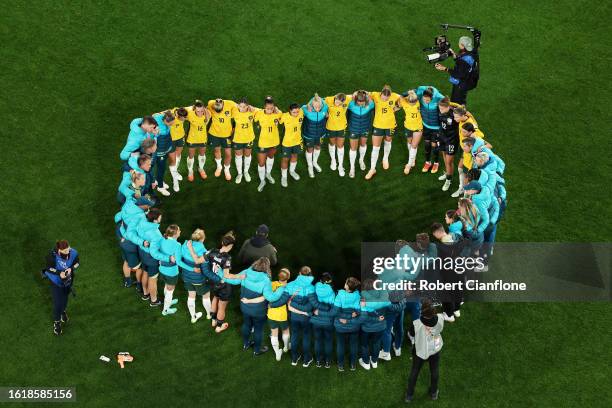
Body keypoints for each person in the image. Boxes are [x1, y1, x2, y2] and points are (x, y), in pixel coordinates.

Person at [222, 257, 284, 356]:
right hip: (259, 311)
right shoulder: (266, 280)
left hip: (245, 307)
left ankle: (245, 344)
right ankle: (257, 350)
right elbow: (271, 297)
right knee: (258, 329)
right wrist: (281, 288)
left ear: (255, 263)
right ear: (266, 268)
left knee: (246, 324)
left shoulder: (247, 272)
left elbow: (234, 281)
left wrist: (220, 273)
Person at [269, 266, 315, 367]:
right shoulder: (311, 288)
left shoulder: (290, 285)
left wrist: (272, 305)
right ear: (309, 274)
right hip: (305, 318)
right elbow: (309, 307)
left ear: (299, 273)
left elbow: (282, 300)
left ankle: (294, 359)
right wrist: (302, 310)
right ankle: (306, 360)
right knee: (306, 337)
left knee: (294, 336)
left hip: (294, 317)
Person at [405, 298, 444, 403]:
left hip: (421, 351)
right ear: (433, 311)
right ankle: (434, 392)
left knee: (415, 371)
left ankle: (409, 395)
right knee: (434, 370)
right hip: (435, 349)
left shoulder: (417, 323)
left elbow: (411, 334)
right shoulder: (440, 318)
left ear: (422, 310)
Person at [117, 195, 155, 291]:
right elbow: (131, 234)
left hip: (122, 236)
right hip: (130, 244)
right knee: (139, 267)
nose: (149, 207)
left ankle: (128, 281)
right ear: (143, 205)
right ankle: (139, 285)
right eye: (148, 205)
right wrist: (142, 242)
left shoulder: (129, 204)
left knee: (126, 260)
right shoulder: (139, 216)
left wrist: (123, 235)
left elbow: (119, 217)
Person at [431, 222, 467, 321]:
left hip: (448, 273)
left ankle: (449, 314)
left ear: (436, 233)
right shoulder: (458, 237)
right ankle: (456, 310)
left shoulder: (438, 247)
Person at [44, 240, 79, 335]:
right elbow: (48, 268)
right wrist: (60, 273)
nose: (67, 253)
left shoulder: (74, 252)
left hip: (68, 281)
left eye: (68, 250)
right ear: (59, 250)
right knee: (58, 304)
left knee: (65, 299)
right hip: (56, 282)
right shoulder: (52, 257)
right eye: (65, 251)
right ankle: (57, 323)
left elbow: (77, 263)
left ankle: (63, 311)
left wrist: (70, 269)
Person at [434, 33, 480, 106]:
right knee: (462, 100)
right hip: (467, 82)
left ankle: (456, 115)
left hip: (461, 84)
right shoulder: (472, 52)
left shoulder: (466, 59)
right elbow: (463, 63)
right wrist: (454, 55)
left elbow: (459, 74)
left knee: (455, 103)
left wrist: (444, 68)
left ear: (462, 45)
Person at [366, 85, 400, 180]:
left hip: (390, 125)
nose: (385, 99)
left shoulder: (394, 96)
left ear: (390, 95)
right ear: (381, 94)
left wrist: (398, 107)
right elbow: (365, 93)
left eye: (387, 98)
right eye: (383, 97)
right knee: (375, 147)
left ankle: (385, 158)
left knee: (388, 141)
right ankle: (372, 169)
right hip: (378, 125)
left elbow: (403, 98)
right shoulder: (375, 95)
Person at [179, 228, 213, 323]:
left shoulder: (184, 245)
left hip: (186, 277)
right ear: (202, 239)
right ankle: (209, 314)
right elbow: (206, 266)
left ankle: (193, 317)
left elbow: (180, 258)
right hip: (199, 279)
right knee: (206, 296)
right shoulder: (203, 250)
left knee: (191, 296)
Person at [452, 107, 486, 197]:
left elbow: (480, 133)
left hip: (469, 153)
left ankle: (465, 193)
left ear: (462, 115)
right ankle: (461, 189)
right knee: (460, 169)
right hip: (464, 149)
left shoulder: (470, 124)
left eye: (456, 117)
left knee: (468, 175)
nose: (455, 119)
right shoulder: (463, 119)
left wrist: (474, 135)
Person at [151, 224, 183, 316]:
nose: (180, 231)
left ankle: (168, 301)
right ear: (175, 234)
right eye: (179, 230)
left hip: (162, 269)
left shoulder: (162, 240)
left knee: (167, 286)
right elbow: (178, 261)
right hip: (171, 272)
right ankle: (165, 310)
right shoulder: (177, 245)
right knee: (170, 290)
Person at [135, 208, 164, 306]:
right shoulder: (156, 234)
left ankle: (145, 294)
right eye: (160, 217)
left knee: (145, 272)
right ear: (155, 220)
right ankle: (154, 300)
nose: (161, 218)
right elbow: (154, 253)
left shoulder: (142, 222)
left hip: (142, 253)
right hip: (151, 259)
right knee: (153, 279)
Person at [209, 231, 236, 333]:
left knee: (215, 298)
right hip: (223, 285)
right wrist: (239, 276)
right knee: (222, 306)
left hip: (213, 281)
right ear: (230, 246)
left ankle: (213, 320)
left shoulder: (212, 251)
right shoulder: (227, 258)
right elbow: (226, 275)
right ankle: (219, 326)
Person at [308, 272, 336, 368]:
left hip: (316, 321)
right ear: (329, 281)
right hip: (328, 322)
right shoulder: (333, 293)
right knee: (328, 341)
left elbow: (313, 303)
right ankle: (327, 362)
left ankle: (318, 361)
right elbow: (332, 311)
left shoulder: (315, 288)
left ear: (321, 280)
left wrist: (318, 312)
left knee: (317, 340)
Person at [254, 96, 282, 192]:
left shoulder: (278, 114)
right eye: (268, 108)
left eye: (271, 108)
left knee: (270, 157)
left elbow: (283, 117)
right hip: (263, 142)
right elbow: (253, 116)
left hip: (274, 141)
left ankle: (268, 174)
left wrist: (277, 110)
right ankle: (262, 181)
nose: (270, 110)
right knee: (261, 163)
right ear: (264, 107)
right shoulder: (259, 113)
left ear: (274, 107)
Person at [333, 277, 361, 371]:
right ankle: (353, 365)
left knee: (340, 344)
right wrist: (352, 315)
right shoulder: (357, 294)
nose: (344, 283)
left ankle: (340, 365)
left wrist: (344, 318)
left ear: (348, 287)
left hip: (341, 325)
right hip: (354, 325)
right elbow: (358, 310)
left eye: (346, 283)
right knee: (353, 345)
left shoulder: (340, 294)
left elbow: (335, 311)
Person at [415, 86, 445, 173]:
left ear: (432, 98)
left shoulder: (439, 98)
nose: (425, 101)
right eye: (424, 99)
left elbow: (448, 105)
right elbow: (416, 89)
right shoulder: (421, 93)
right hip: (425, 125)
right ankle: (427, 162)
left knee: (434, 145)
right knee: (427, 145)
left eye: (427, 100)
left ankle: (436, 163)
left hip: (436, 127)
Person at [207, 98, 237, 180]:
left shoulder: (230, 104)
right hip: (214, 134)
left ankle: (226, 170)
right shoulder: (211, 103)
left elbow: (240, 106)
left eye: (219, 110)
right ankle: (219, 167)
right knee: (217, 150)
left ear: (223, 106)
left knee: (228, 154)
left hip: (227, 135)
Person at [322, 93, 352, 176]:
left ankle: (340, 166)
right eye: (336, 101)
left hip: (341, 127)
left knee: (340, 145)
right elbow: (317, 100)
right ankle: (333, 160)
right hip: (330, 127)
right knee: (332, 143)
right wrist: (324, 112)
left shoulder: (347, 100)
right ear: (335, 98)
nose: (337, 103)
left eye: (339, 103)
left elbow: (354, 94)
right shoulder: (329, 99)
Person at [346, 90, 375, 178]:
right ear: (355, 100)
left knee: (363, 145)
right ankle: (352, 168)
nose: (360, 104)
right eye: (359, 102)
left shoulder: (370, 104)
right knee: (353, 149)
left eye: (362, 102)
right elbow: (342, 98)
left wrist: (366, 93)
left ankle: (361, 160)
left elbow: (373, 96)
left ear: (365, 100)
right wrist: (353, 94)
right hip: (353, 129)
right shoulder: (350, 104)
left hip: (365, 129)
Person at [435, 98, 460, 192]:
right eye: (439, 108)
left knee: (449, 161)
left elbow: (463, 112)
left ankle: (448, 180)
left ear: (448, 107)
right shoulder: (440, 110)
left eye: (442, 109)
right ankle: (447, 173)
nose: (440, 111)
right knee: (444, 157)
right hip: (442, 137)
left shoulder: (454, 113)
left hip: (451, 140)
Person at [301, 94, 328, 178]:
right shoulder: (306, 110)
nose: (317, 108)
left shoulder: (324, 108)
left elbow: (324, 100)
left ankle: (315, 163)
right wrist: (307, 105)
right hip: (309, 134)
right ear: (312, 105)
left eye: (319, 106)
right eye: (315, 106)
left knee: (318, 147)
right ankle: (310, 166)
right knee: (310, 150)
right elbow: (301, 108)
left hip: (320, 134)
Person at [267, 268, 291, 360]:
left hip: (271, 314)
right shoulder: (288, 287)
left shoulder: (271, 284)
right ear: (288, 277)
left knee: (274, 333)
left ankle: (277, 353)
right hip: (282, 315)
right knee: (286, 331)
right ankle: (286, 347)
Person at [231, 98, 257, 184]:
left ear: (247, 106)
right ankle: (239, 173)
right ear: (238, 105)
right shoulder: (234, 111)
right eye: (240, 106)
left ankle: (246, 172)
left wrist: (252, 107)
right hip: (237, 138)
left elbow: (262, 111)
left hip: (249, 138)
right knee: (238, 156)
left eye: (244, 106)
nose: (242, 108)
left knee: (247, 155)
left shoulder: (252, 111)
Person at [398, 90, 423, 175]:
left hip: (418, 128)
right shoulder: (404, 103)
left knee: (414, 145)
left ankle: (409, 164)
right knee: (409, 143)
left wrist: (413, 91)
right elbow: (401, 95)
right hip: (408, 127)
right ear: (408, 100)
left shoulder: (418, 102)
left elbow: (420, 90)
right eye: (411, 102)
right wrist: (408, 92)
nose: (413, 103)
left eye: (414, 101)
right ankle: (412, 159)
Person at [185, 100, 211, 182]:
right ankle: (190, 171)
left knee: (202, 155)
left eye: (201, 110)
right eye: (197, 111)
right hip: (192, 139)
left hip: (203, 139)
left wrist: (204, 109)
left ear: (204, 109)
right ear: (194, 109)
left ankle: (201, 169)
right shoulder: (190, 114)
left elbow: (207, 117)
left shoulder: (207, 114)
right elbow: (181, 114)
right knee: (191, 156)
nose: (199, 113)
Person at [279, 103, 304, 187]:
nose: (296, 114)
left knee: (294, 156)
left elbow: (310, 104)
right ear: (289, 111)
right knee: (285, 159)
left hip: (297, 141)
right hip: (287, 142)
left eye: (297, 111)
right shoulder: (284, 116)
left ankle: (292, 171)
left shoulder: (301, 112)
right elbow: (277, 117)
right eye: (294, 112)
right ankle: (284, 177)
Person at [152, 110, 174, 196]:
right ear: (165, 121)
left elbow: (156, 114)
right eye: (170, 124)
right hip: (159, 148)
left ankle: (158, 180)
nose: (171, 125)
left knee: (162, 166)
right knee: (161, 167)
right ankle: (160, 187)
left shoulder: (163, 115)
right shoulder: (159, 128)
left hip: (165, 145)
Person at [167, 107, 189, 191]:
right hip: (171, 140)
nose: (184, 119)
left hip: (180, 138)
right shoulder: (171, 115)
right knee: (172, 160)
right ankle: (175, 181)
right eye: (183, 118)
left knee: (178, 154)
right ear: (178, 115)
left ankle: (175, 171)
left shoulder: (180, 111)